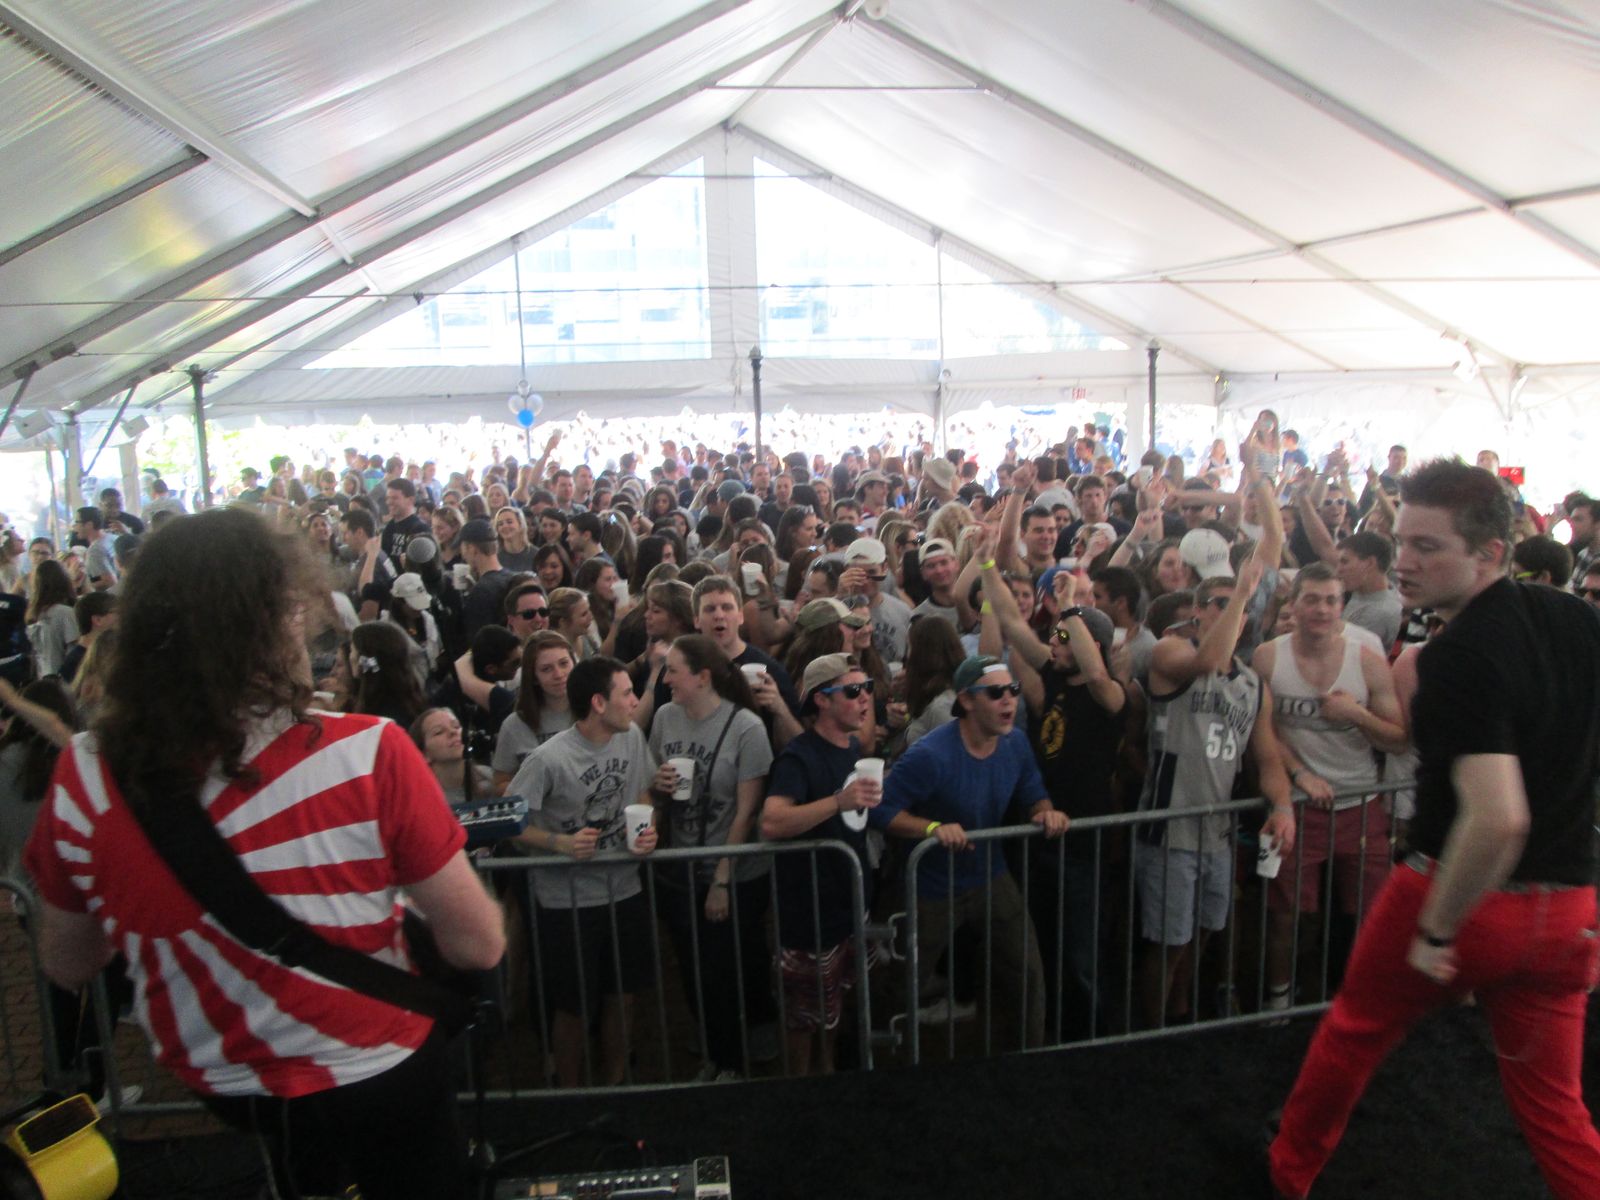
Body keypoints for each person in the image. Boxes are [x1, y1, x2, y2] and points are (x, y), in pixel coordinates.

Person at [23, 507, 504, 1200]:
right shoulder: (367, 752)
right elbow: (478, 943)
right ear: (272, 622)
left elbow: (67, 961)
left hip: (223, 1076)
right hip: (378, 1061)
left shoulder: (86, 774)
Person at [1268, 460, 1600, 1200]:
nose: (1404, 562)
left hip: (1460, 894)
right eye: (1401, 542)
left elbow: (1498, 817)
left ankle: (1288, 1173)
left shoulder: (1456, 656)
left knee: (1352, 1033)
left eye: (1427, 546)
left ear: (1490, 553)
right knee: (1556, 1108)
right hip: (1568, 909)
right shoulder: (1578, 620)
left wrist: (1438, 930)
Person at [871, 655, 1070, 1048]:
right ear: (966, 700)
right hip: (933, 887)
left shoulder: (1014, 743)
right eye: (995, 693)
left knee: (1028, 971)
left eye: (1013, 690)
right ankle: (879, 1053)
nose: (1008, 700)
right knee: (905, 981)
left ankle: (1031, 1058)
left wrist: (1045, 812)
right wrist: (932, 828)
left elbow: (1033, 790)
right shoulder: (931, 755)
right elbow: (880, 809)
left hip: (990, 875)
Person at [1136, 554, 1295, 1027]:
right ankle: (1147, 1034)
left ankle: (1181, 1016)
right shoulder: (1170, 652)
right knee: (1169, 943)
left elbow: (1268, 760)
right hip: (1169, 828)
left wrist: (1283, 806)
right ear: (1198, 612)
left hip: (1218, 832)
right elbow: (1207, 660)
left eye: (1238, 606)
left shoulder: (1252, 684)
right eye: (1221, 604)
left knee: (1203, 934)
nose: (1233, 611)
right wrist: (1244, 590)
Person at [1252, 563, 1408, 1015]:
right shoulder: (1268, 657)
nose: (1321, 609)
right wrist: (1299, 772)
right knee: (1286, 914)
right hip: (1296, 805)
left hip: (1360, 802)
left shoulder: (1367, 661)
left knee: (1370, 912)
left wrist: (1355, 714)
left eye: (1331, 600)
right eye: (1312, 599)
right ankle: (1278, 1003)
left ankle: (1361, 1001)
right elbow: (1262, 734)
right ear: (1294, 604)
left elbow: (1398, 738)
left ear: (1342, 607)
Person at [508, 656, 659, 1088]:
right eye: (626, 693)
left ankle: (615, 1083)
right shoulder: (548, 759)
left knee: (623, 995)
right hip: (567, 901)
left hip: (625, 889)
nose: (635, 702)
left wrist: (648, 829)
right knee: (573, 1006)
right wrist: (559, 843)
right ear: (598, 703)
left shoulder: (631, 738)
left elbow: (643, 792)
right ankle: (570, 1091)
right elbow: (511, 822)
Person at [647, 635, 775, 1079]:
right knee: (692, 966)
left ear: (702, 677)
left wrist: (722, 878)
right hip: (681, 866)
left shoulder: (746, 727)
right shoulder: (665, 718)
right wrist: (659, 785)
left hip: (734, 872)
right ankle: (715, 1047)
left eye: (673, 670)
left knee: (725, 968)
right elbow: (652, 781)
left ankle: (732, 1059)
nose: (666, 680)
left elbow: (746, 811)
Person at [760, 653, 879, 1074]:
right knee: (803, 1017)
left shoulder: (851, 748)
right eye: (853, 690)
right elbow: (772, 821)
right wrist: (837, 802)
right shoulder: (798, 757)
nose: (865, 698)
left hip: (847, 906)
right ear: (821, 700)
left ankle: (826, 1073)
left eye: (868, 688)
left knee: (833, 1007)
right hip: (808, 916)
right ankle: (801, 1089)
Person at [490, 631, 575, 793]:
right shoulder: (514, 725)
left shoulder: (595, 714)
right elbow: (500, 782)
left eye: (564, 664)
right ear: (534, 677)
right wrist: (537, 789)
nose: (558, 674)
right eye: (546, 669)